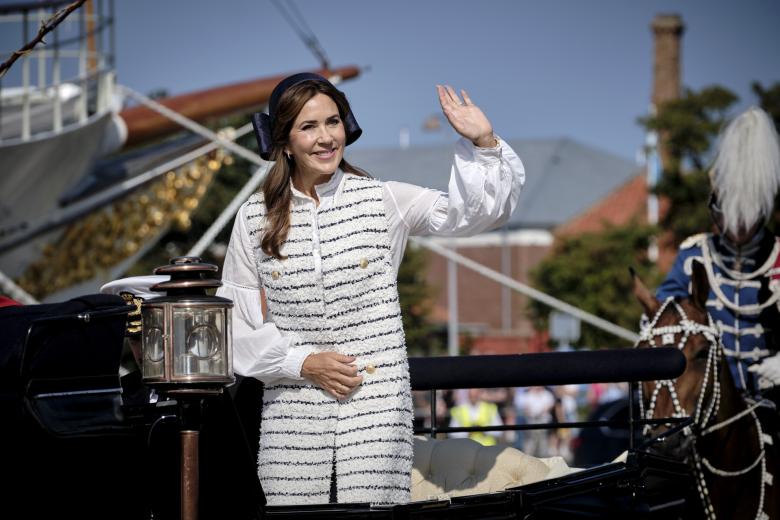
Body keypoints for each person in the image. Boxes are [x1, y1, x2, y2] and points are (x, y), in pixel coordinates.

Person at [217, 72, 525, 506]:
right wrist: (301, 362)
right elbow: (233, 325)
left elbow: (475, 216)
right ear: (283, 141)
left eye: (333, 122)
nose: (326, 138)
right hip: (290, 416)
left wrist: (485, 143)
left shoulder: (384, 199)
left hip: (376, 409)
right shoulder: (253, 219)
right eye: (309, 127)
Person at [656, 106, 780, 396]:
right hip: (710, 404)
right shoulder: (694, 256)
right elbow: (662, 318)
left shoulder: (777, 258)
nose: (736, 226)